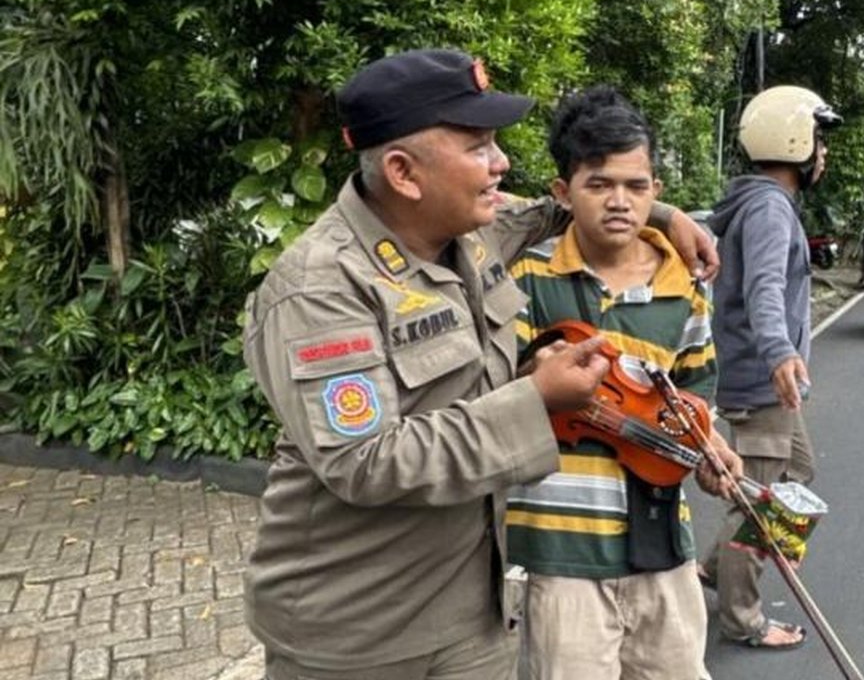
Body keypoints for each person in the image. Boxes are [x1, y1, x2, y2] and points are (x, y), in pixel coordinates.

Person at [240, 48, 720, 680]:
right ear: (404, 173)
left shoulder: (475, 230)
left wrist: (667, 214)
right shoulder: (321, 288)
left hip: (473, 615)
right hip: (358, 633)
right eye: (478, 147)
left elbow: (569, 204)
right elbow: (364, 462)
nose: (502, 164)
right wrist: (538, 399)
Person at [505, 86, 743, 680]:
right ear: (563, 193)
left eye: (636, 187)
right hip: (562, 549)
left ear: (656, 191)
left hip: (662, 544)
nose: (619, 202)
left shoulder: (683, 287)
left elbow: (695, 393)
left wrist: (708, 446)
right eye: (599, 185)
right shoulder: (530, 276)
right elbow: (499, 393)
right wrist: (536, 378)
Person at [698, 85, 841, 650]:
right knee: (761, 504)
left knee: (796, 473)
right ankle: (743, 618)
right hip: (761, 381)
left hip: (764, 379)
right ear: (795, 140)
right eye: (819, 141)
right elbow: (763, 288)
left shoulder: (762, 203)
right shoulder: (768, 209)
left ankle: (715, 567)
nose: (823, 153)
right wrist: (780, 353)